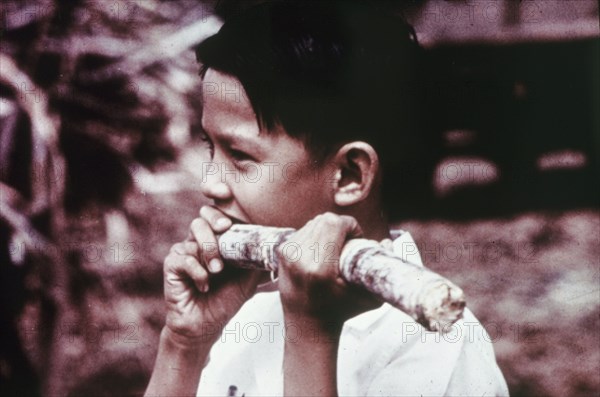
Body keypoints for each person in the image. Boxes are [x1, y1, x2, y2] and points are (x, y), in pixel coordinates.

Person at [145, 1, 509, 396]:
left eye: (241, 156)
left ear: (350, 174)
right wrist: (184, 344)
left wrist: (310, 335)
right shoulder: (246, 313)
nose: (210, 183)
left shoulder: (435, 346)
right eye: (209, 147)